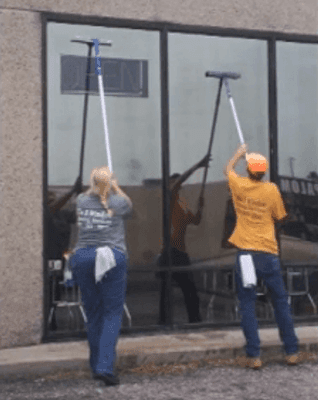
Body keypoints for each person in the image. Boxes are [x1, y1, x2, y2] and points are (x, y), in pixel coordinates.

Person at [224, 144, 300, 369]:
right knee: (280, 302)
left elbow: (228, 170)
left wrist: (237, 154)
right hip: (268, 253)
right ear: (264, 172)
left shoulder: (239, 185)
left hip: (246, 254)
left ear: (248, 170)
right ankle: (291, 352)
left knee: (247, 304)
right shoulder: (272, 190)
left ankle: (254, 355)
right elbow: (280, 216)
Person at [69, 166, 132, 386]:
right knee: (112, 313)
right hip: (111, 256)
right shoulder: (119, 202)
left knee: (93, 312)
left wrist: (107, 185)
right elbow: (129, 206)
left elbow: (94, 196)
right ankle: (105, 366)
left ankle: (96, 365)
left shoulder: (80, 201)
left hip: (84, 256)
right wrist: (116, 187)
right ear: (111, 182)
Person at [158, 154, 210, 325]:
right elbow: (180, 180)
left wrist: (200, 207)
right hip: (171, 250)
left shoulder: (181, 204)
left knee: (187, 290)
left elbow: (195, 221)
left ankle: (193, 320)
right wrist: (198, 165)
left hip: (179, 251)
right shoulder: (170, 199)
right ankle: (167, 322)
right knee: (173, 291)